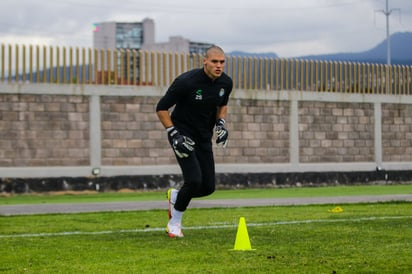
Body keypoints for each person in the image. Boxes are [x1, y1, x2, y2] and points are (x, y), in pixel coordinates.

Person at [156, 45, 233, 238]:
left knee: (208, 187)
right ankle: (174, 223)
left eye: (222, 62)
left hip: (203, 136)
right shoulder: (186, 81)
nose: (219, 65)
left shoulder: (226, 83)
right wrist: (174, 134)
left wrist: (221, 124)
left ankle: (176, 196)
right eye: (214, 61)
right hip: (182, 134)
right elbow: (161, 108)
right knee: (194, 180)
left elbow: (222, 105)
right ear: (204, 61)